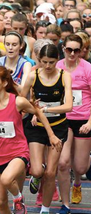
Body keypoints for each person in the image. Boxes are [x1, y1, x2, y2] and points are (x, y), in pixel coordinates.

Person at [0, 66, 59, 214]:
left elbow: (38, 113)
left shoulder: (18, 101)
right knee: (0, 202)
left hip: (18, 151)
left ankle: (18, 198)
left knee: (6, 179)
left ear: (5, 83)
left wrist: (51, 135)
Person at [20, 44, 72, 214]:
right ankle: (35, 175)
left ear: (58, 60)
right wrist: (33, 111)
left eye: (51, 62)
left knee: (50, 173)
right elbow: (21, 102)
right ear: (39, 60)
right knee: (37, 170)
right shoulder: (33, 76)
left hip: (58, 128)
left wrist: (44, 110)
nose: (48, 66)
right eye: (44, 62)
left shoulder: (65, 76)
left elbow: (68, 106)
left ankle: (45, 209)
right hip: (37, 127)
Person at [56, 34, 91, 214]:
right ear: (63, 49)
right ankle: (66, 204)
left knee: (80, 167)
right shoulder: (58, 66)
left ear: (81, 51)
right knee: (63, 163)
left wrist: (90, 122)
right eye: (69, 49)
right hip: (64, 119)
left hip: (84, 119)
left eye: (76, 50)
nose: (72, 53)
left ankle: (77, 182)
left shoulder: (87, 68)